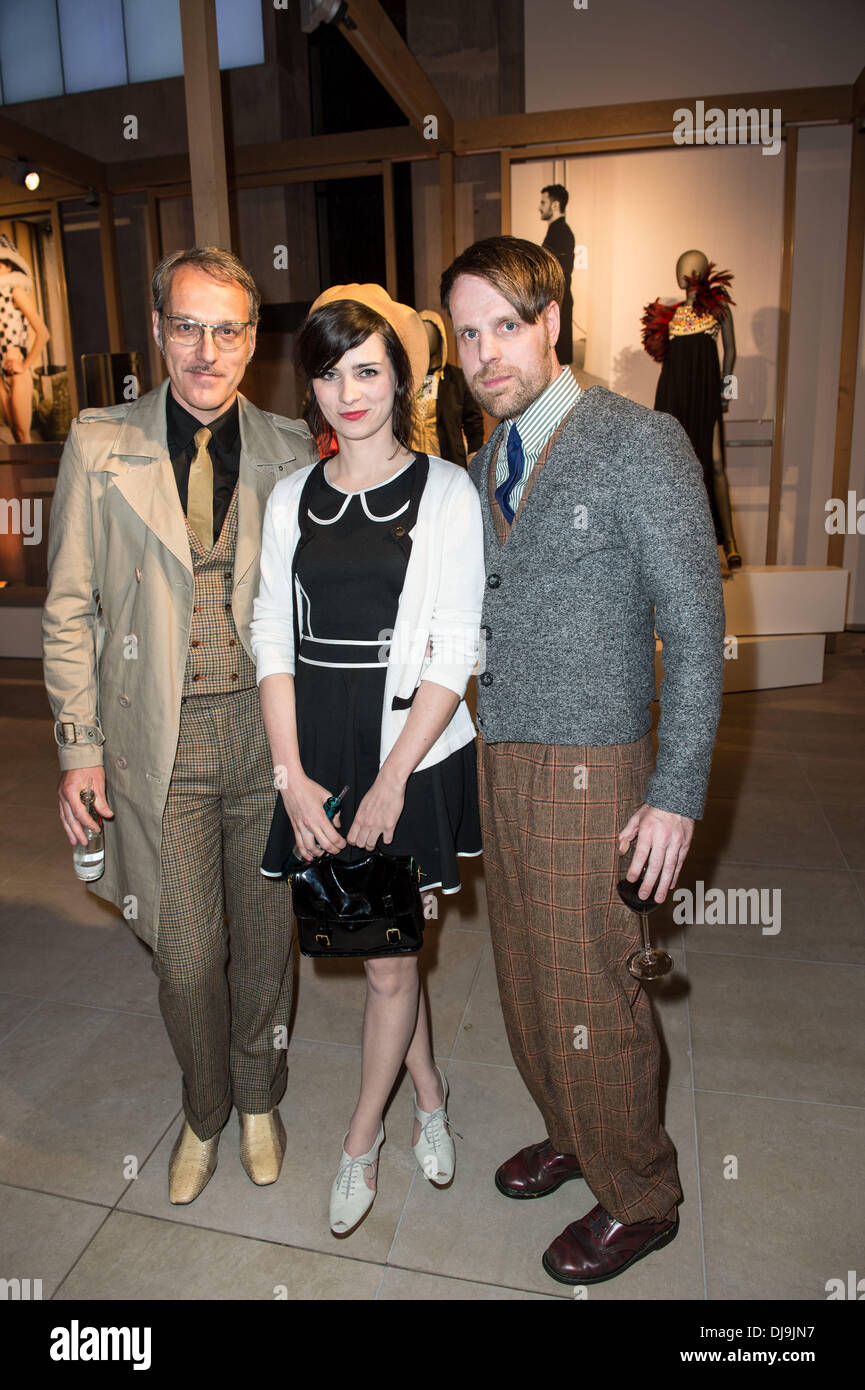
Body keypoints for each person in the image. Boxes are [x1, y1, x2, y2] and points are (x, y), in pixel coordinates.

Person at [440, 235, 725, 1287]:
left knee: (596, 988)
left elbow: (695, 629)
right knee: (524, 975)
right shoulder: (479, 467)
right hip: (502, 755)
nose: (485, 352)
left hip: (597, 763)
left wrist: (674, 795)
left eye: (503, 326)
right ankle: (571, 1129)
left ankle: (639, 1192)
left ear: (551, 320)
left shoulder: (638, 444)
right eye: (468, 334)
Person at [42, 247, 317, 1205]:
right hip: (154, 745)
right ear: (158, 331)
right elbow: (69, 608)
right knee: (187, 957)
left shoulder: (289, 447)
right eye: (188, 326)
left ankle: (256, 1099)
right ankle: (203, 1109)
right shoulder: (99, 442)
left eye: (229, 328)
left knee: (266, 939)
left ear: (253, 340)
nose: (208, 349)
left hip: (266, 743)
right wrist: (78, 748)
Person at [250, 282, 484, 1236]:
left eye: (366, 371)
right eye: (329, 373)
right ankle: (427, 1096)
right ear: (310, 386)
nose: (348, 393)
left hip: (411, 753)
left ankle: (360, 1141)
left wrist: (391, 781)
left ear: (399, 379)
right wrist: (289, 773)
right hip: (317, 748)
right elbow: (271, 632)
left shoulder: (446, 490)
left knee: (387, 962)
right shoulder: (289, 496)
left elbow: (454, 646)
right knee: (384, 947)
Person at [642, 250, 741, 568]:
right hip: (673, 394)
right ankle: (671, 542)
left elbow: (731, 353)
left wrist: (726, 392)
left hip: (705, 392)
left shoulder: (718, 308)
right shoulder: (671, 317)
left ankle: (729, 542)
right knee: (672, 466)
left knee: (713, 461)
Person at [414, 309, 485, 467]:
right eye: (421, 333)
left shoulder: (457, 379)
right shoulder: (408, 380)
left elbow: (474, 422)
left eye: (430, 333)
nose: (426, 339)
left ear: (440, 338)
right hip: (414, 466)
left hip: (448, 463)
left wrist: (474, 456)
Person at [0, 234, 50, 444]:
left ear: (8, 265)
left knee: (22, 435)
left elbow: (43, 332)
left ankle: (36, 475)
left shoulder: (16, 291)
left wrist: (25, 363)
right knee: (14, 434)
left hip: (15, 367)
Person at [539, 185, 575, 366]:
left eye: (543, 202)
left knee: (558, 360)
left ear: (555, 205)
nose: (540, 207)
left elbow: (561, 274)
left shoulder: (561, 233)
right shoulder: (556, 231)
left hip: (557, 303)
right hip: (554, 302)